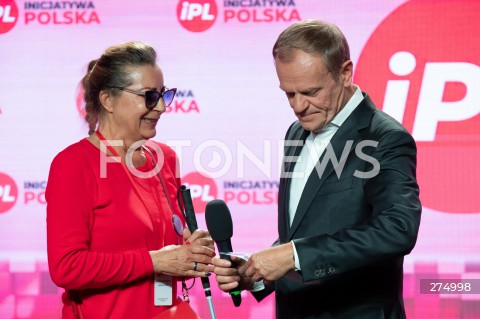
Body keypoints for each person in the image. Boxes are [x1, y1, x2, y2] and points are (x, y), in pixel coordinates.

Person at [212, 20, 421, 319]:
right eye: (289, 93)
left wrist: (293, 255)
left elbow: (398, 230)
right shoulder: (295, 134)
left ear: (345, 73)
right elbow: (303, 230)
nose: (298, 106)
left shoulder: (385, 138)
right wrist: (258, 273)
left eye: (310, 92)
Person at [46, 41, 215, 319]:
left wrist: (193, 252)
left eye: (163, 94)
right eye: (149, 96)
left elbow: (170, 238)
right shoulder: (74, 164)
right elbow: (67, 266)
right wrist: (154, 261)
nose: (161, 107)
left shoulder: (166, 159)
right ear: (108, 100)